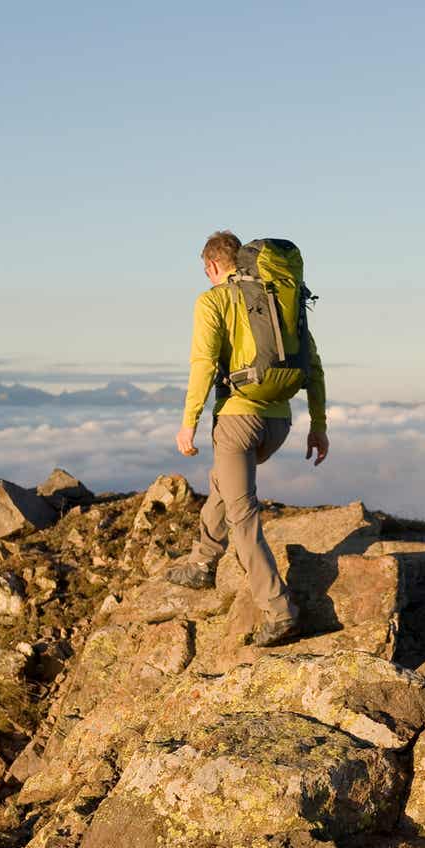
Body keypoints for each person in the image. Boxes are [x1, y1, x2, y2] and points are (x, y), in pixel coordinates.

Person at [166, 230, 329, 646]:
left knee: (244, 517)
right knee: (224, 482)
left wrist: (189, 422)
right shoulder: (278, 301)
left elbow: (203, 364)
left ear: (212, 266)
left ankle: (279, 610)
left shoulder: (214, 300)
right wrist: (318, 425)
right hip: (279, 422)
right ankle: (203, 561)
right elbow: (314, 364)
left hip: (238, 420)